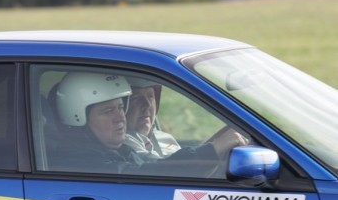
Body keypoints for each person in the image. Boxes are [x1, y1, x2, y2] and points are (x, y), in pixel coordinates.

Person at [51, 71, 247, 176]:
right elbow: (150, 173)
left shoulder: (118, 152)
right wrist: (211, 151)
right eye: (108, 111)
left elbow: (155, 165)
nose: (121, 117)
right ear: (78, 117)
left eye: (121, 107)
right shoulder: (80, 161)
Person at [124, 77, 180, 160]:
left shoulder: (166, 137)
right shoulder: (123, 143)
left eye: (150, 97)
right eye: (136, 98)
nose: (147, 104)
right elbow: (157, 167)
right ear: (122, 107)